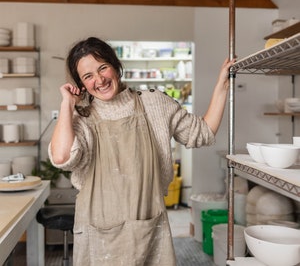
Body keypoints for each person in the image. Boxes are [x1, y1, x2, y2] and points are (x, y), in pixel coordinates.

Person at [48, 37, 234, 265]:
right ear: (81, 84)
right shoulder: (82, 117)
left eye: (103, 68)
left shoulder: (154, 103)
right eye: (88, 76)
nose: (99, 80)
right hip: (97, 233)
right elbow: (61, 157)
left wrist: (222, 84)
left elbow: (203, 132)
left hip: (148, 227)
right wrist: (67, 104)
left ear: (115, 66)